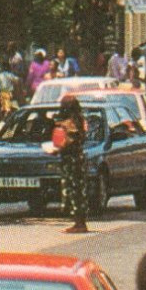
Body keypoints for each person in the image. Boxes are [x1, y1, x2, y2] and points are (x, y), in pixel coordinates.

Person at [54, 95, 89, 234]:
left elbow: (68, 141)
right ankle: (79, 221)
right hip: (77, 159)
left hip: (71, 161)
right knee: (79, 190)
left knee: (74, 191)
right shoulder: (80, 120)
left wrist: (59, 146)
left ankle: (79, 223)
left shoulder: (69, 123)